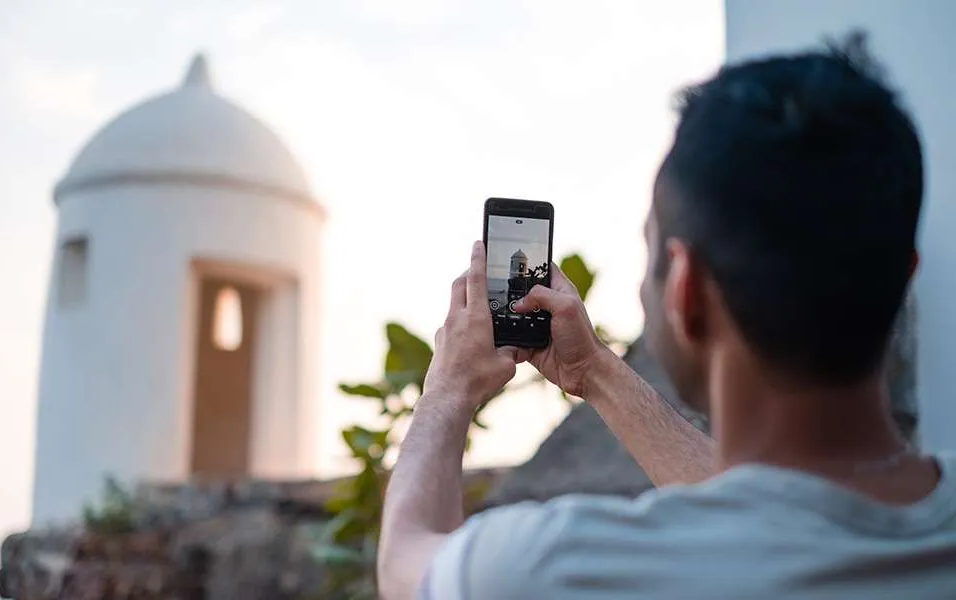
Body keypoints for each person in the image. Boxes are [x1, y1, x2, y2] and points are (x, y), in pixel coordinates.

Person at [377, 36, 956, 600]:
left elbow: (405, 563)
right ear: (903, 272)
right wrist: (592, 371)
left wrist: (448, 389)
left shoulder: (563, 568)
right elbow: (779, 508)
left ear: (685, 289)